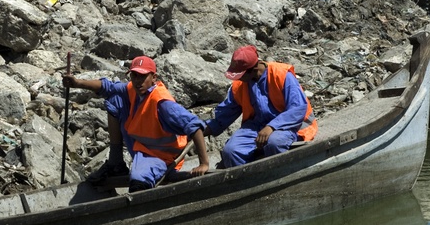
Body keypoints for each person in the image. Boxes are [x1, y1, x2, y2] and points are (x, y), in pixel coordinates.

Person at [63, 55, 210, 191]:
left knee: (139, 180)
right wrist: (78, 83)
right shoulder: (133, 89)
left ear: (154, 77)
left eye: (143, 76)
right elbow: (108, 87)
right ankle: (116, 163)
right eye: (134, 76)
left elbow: (195, 126)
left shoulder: (162, 103)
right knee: (115, 99)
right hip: (141, 146)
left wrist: (203, 163)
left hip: (161, 156)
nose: (138, 81)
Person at [204, 44, 317, 168]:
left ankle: (278, 177)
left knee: (274, 143)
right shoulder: (240, 85)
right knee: (231, 150)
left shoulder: (281, 74)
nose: (239, 79)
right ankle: (246, 183)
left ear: (254, 69)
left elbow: (298, 108)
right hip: (256, 127)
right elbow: (224, 115)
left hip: (289, 124)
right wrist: (199, 130)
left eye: (241, 75)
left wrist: (272, 127)